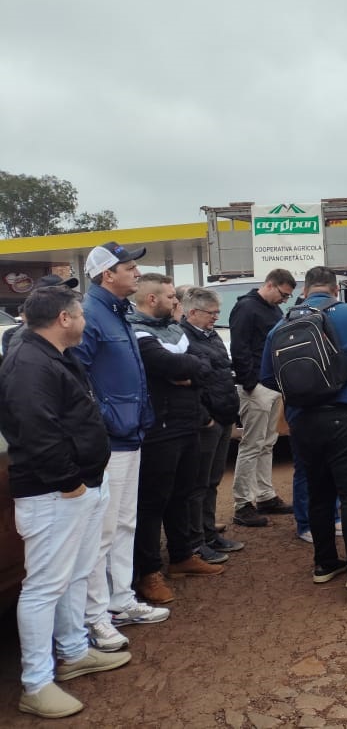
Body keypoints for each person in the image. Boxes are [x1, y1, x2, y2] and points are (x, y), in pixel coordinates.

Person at [0, 287, 131, 719]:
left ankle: (74, 652)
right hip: (53, 491)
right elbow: (35, 428)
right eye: (79, 315)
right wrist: (68, 480)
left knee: (75, 573)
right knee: (43, 586)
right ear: (63, 318)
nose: (85, 321)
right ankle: (36, 684)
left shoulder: (52, 355)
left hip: (80, 485)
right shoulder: (28, 362)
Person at [260, 265, 347, 593]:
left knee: (319, 492)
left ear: (305, 291)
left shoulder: (283, 323)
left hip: (303, 418)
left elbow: (267, 376)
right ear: (335, 289)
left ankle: (325, 562)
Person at [77, 243, 170, 652]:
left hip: (130, 433)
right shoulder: (91, 314)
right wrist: (101, 421)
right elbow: (75, 376)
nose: (136, 272)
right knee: (102, 531)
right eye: (128, 267)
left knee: (124, 523)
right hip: (109, 440)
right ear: (105, 275)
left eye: (134, 266)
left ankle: (120, 601)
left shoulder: (116, 312)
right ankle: (96, 617)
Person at [128, 274, 223, 605]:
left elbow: (202, 363)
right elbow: (166, 363)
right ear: (152, 300)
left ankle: (183, 556)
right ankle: (149, 572)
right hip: (158, 428)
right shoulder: (137, 331)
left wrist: (188, 372)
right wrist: (187, 369)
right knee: (154, 501)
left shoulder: (174, 329)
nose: (176, 302)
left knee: (184, 493)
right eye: (171, 297)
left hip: (187, 424)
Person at [179, 287, 244, 559]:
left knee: (213, 481)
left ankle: (209, 533)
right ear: (192, 312)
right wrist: (205, 418)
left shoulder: (210, 334)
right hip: (207, 421)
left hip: (223, 415)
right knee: (198, 484)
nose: (215, 318)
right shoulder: (183, 338)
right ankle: (196, 542)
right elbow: (190, 383)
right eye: (212, 313)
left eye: (217, 312)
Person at [229, 268, 297, 527]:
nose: (284, 299)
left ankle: (265, 495)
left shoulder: (273, 310)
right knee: (252, 444)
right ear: (270, 285)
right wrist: (249, 383)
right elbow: (239, 347)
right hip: (256, 387)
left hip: (272, 385)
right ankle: (242, 503)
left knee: (267, 442)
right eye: (283, 294)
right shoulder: (246, 308)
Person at [0, 274, 80, 361]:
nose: (69, 297)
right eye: (61, 294)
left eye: (68, 291)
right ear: (42, 301)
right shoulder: (24, 339)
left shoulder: (63, 329)